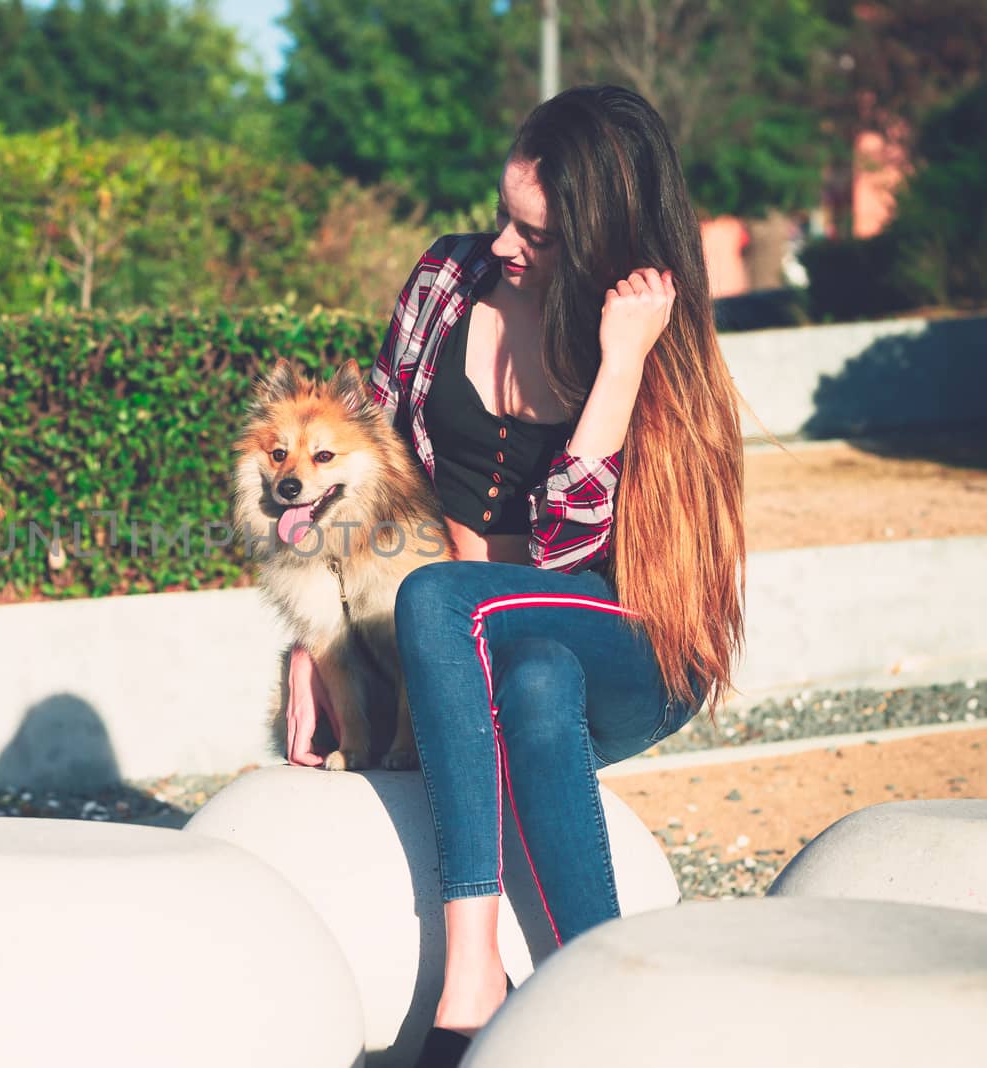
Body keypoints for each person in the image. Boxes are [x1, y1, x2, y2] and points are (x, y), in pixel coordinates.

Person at [282, 85, 746, 1067]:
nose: (500, 242)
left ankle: (471, 973)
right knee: (527, 678)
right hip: (480, 658)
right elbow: (359, 469)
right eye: (502, 213)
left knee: (445, 597)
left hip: (630, 638)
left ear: (594, 239)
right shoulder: (445, 284)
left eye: (531, 231)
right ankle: (604, 995)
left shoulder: (649, 341)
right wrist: (318, 637)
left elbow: (568, 564)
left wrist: (618, 369)